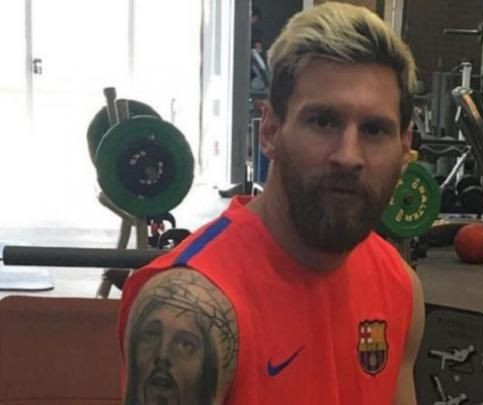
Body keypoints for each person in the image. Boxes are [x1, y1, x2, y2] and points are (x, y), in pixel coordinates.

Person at [117, 3, 425, 404]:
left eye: (374, 130)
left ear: (404, 148)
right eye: (323, 121)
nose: (349, 156)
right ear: (270, 130)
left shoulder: (399, 286)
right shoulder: (193, 312)